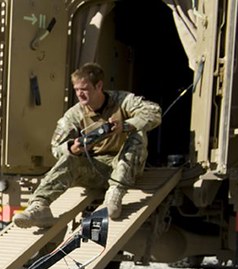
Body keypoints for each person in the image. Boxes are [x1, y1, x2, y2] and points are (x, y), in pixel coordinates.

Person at [13, 62, 162, 228]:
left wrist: (125, 126)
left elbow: (154, 112)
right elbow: (56, 147)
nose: (79, 94)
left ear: (99, 86)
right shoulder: (75, 114)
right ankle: (39, 207)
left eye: (84, 89)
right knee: (69, 156)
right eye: (76, 90)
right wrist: (71, 148)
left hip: (126, 166)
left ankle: (115, 194)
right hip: (96, 169)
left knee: (138, 133)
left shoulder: (122, 101)